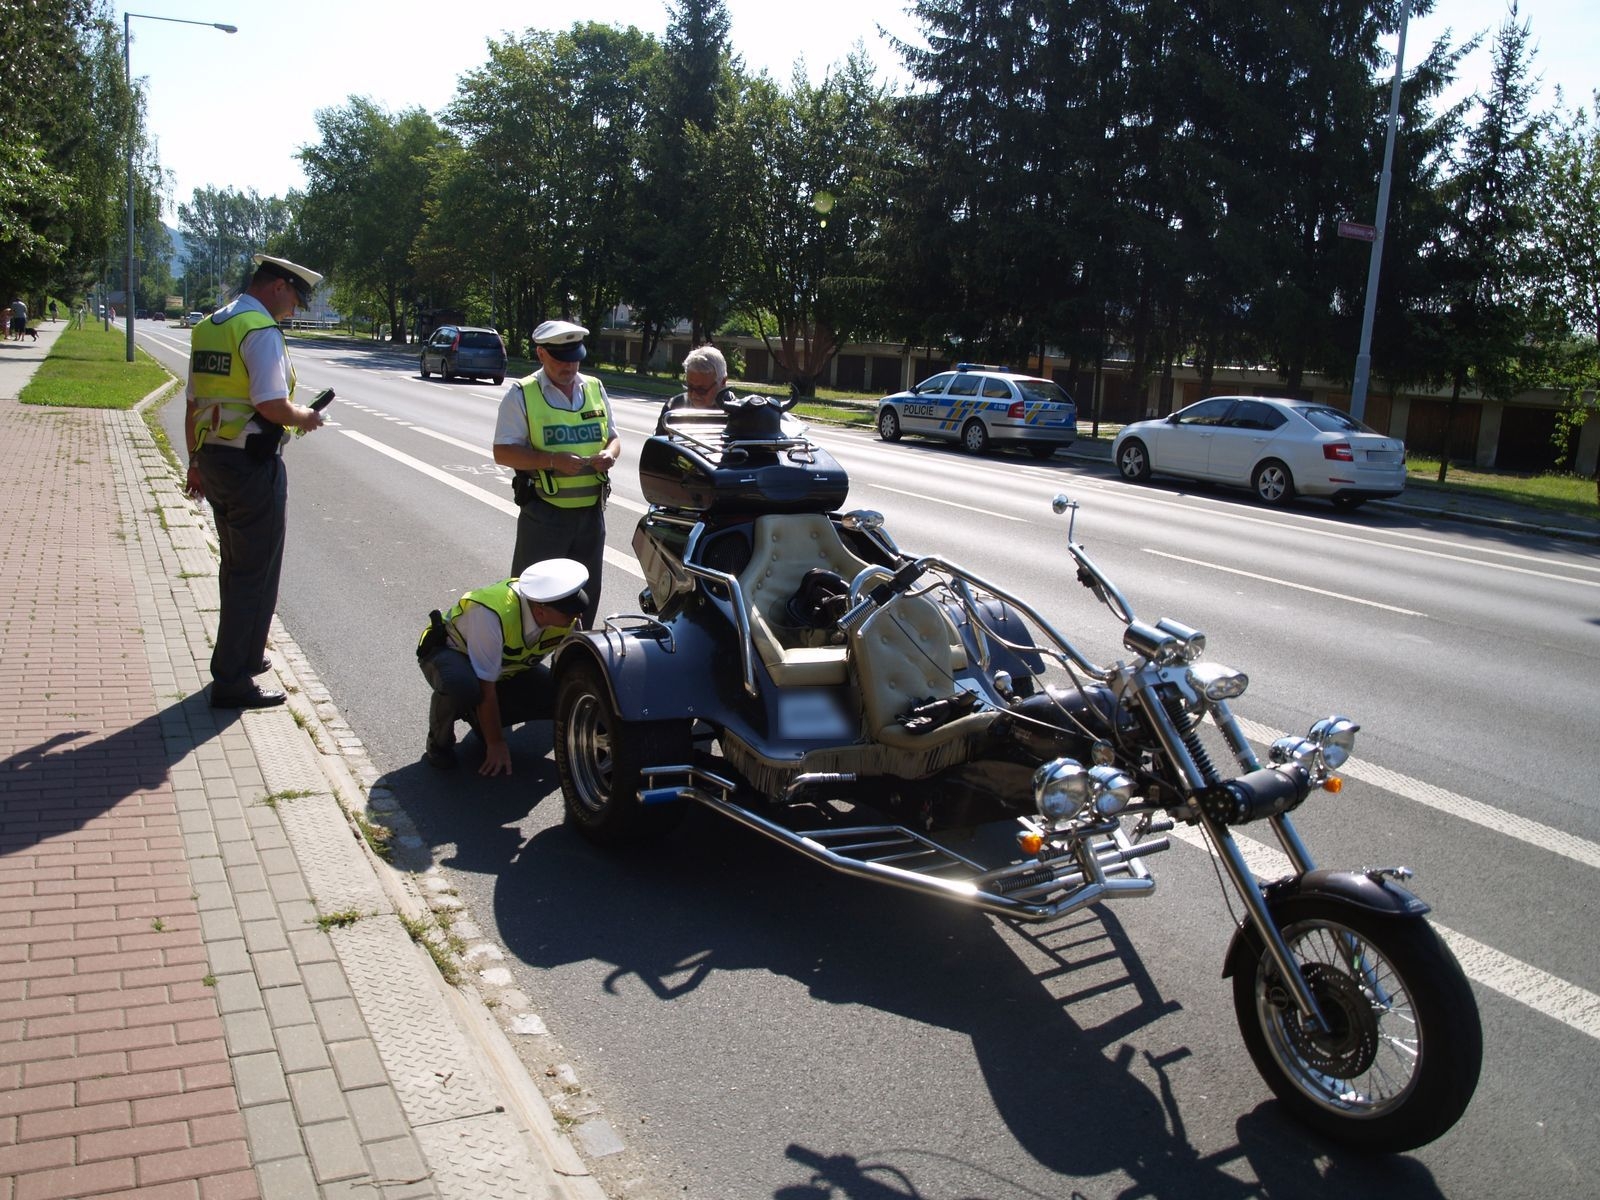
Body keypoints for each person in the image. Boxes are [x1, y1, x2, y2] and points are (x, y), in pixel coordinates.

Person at [183, 253, 327, 709]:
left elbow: (193, 402)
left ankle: (246, 655)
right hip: (250, 466)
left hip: (213, 458)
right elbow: (270, 403)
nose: (295, 309)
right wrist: (304, 416)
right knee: (254, 571)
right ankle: (231, 679)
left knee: (237, 565)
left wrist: (193, 462)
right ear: (279, 286)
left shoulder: (212, 324)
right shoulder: (259, 329)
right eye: (295, 298)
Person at [493, 319, 621, 629]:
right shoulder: (522, 394)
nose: (570, 366)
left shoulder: (594, 387)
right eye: (561, 359)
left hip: (590, 514)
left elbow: (613, 438)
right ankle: (526, 662)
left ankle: (576, 661)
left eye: (575, 358)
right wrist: (551, 460)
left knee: (584, 597)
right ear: (541, 354)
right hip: (545, 515)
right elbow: (503, 452)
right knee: (535, 598)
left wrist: (609, 454)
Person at [416, 558, 588, 775]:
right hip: (452, 655)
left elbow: (573, 670)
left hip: (506, 668)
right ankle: (439, 743)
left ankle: (480, 720)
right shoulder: (491, 615)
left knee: (561, 695)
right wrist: (496, 743)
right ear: (541, 611)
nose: (577, 617)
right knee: (462, 686)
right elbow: (486, 688)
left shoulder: (564, 616)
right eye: (570, 614)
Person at [655, 344, 730, 433]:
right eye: (690, 387)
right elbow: (658, 444)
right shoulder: (674, 407)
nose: (694, 395)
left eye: (702, 390)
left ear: (723, 382)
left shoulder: (736, 415)